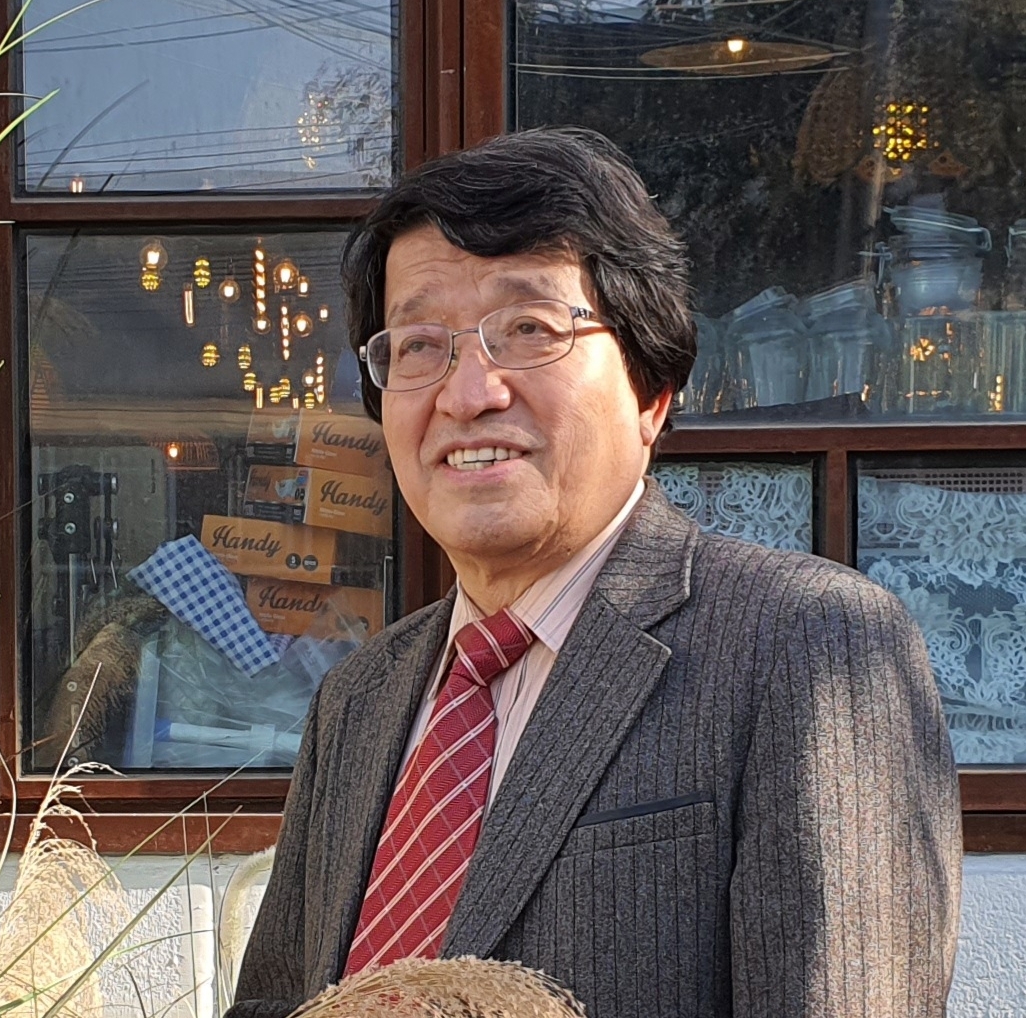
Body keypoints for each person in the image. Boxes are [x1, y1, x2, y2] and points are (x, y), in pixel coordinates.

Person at [229, 127, 961, 1018]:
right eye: (419, 345)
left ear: (652, 390)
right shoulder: (359, 697)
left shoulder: (807, 646)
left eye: (529, 329)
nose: (468, 394)